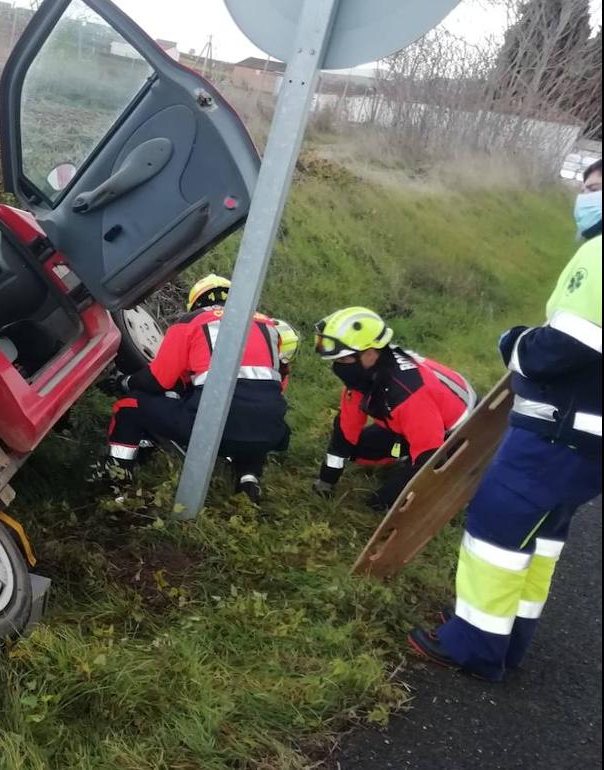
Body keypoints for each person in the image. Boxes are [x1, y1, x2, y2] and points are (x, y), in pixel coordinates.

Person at [407, 162, 602, 682]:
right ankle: (509, 639)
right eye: (587, 188)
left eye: (598, 189)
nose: (588, 198)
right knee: (540, 541)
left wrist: (514, 342)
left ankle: (473, 646)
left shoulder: (600, 252)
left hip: (558, 433)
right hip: (587, 442)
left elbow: (561, 349)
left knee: (496, 532)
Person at [107, 274, 290, 503]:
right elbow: (279, 383)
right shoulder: (269, 326)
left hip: (214, 432)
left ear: (196, 303)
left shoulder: (191, 321)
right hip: (271, 432)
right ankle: (248, 478)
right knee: (252, 411)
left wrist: (125, 382)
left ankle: (116, 484)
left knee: (129, 407)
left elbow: (158, 379)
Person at [311, 307, 476, 511]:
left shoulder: (408, 393)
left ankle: (440, 471)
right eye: (335, 361)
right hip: (413, 426)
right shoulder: (364, 376)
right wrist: (326, 481)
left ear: (370, 353)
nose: (338, 367)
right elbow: (346, 430)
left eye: (343, 360)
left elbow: (430, 456)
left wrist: (404, 489)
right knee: (355, 449)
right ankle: (405, 452)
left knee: (384, 504)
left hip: (459, 436)